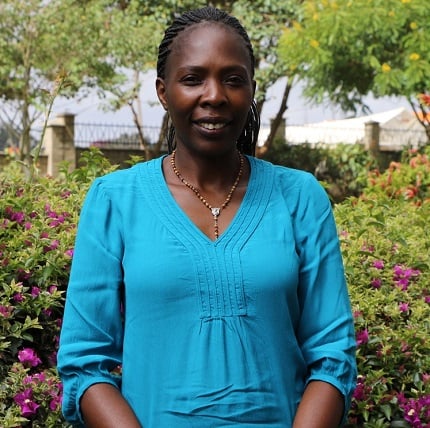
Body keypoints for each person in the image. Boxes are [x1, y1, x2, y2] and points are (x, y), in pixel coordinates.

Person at [58, 6, 357, 427]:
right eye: (193, 78)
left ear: (251, 90)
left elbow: (332, 354)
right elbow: (85, 362)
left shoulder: (299, 198)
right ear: (163, 91)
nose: (214, 95)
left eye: (233, 79)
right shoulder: (114, 201)